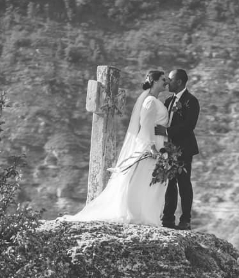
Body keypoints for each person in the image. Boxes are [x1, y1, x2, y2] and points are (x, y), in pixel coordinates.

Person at [61, 70, 168, 226]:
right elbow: (146, 125)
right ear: (155, 81)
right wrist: (152, 147)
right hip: (150, 145)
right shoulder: (150, 101)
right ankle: (135, 213)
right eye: (163, 79)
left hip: (158, 142)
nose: (166, 82)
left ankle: (145, 214)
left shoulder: (156, 100)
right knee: (142, 179)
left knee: (147, 179)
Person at [155, 69, 200, 230]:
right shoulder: (168, 101)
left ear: (179, 82)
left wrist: (167, 131)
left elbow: (189, 126)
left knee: (184, 184)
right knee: (170, 184)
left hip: (184, 149)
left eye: (171, 79)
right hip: (168, 149)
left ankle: (185, 220)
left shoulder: (191, 101)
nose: (168, 82)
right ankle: (168, 219)